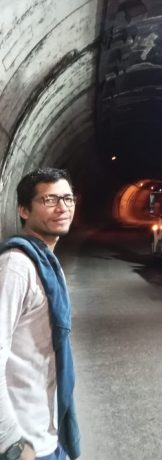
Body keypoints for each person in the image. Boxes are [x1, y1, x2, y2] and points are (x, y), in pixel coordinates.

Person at [0, 168, 80, 460]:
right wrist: (11, 443)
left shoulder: (45, 263)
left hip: (48, 434)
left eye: (68, 198)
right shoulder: (16, 267)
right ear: (23, 210)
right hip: (23, 442)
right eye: (49, 200)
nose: (62, 207)